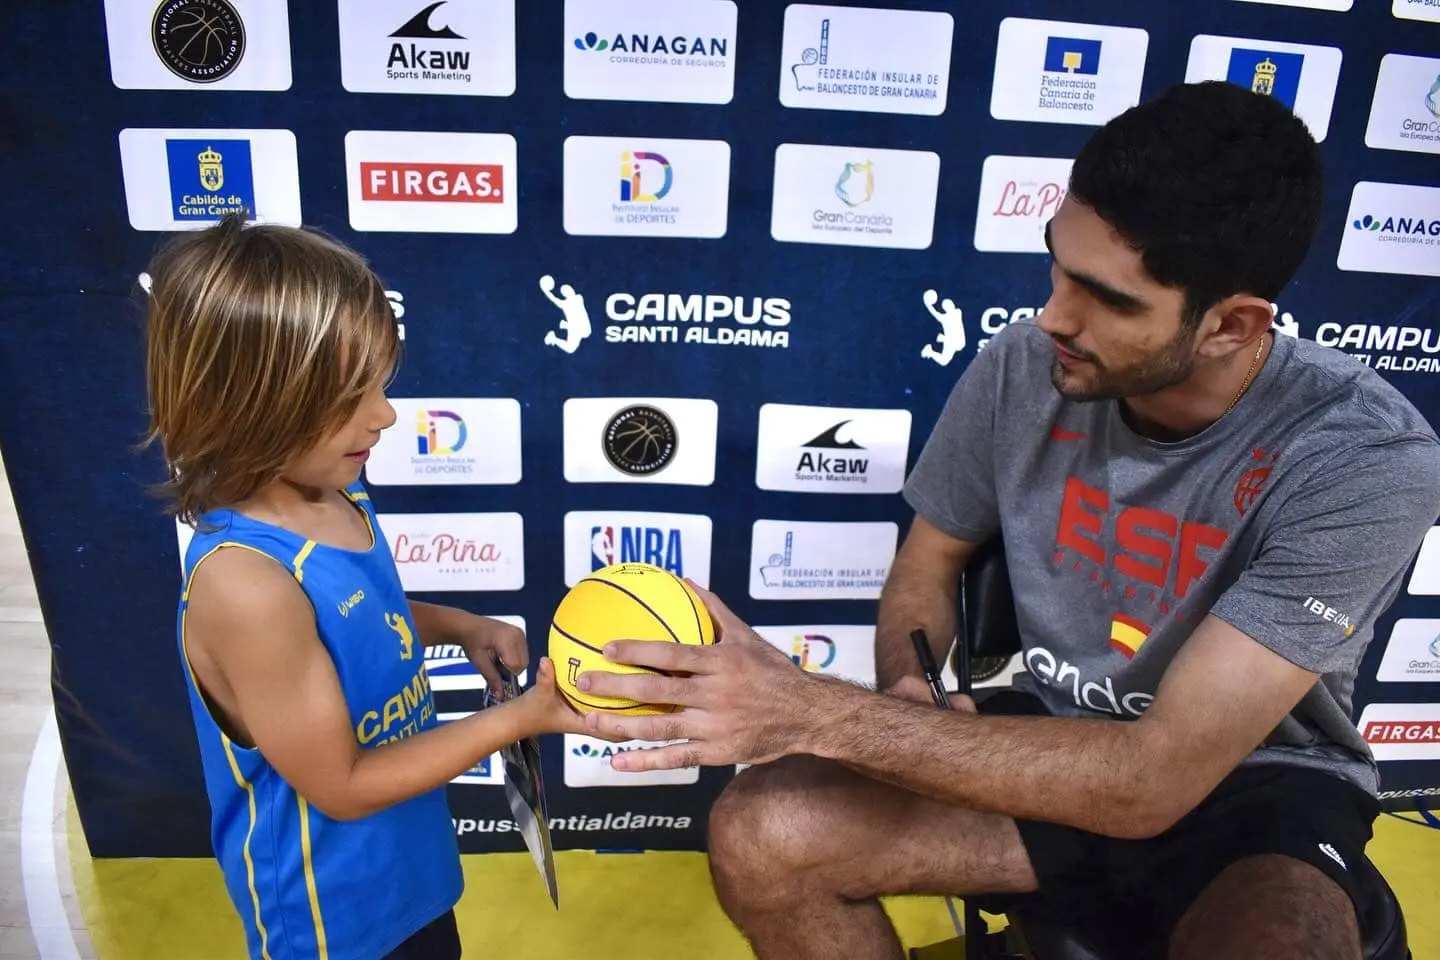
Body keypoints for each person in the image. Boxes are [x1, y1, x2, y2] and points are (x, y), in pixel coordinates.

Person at [574, 81, 1440, 960]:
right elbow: (928, 564)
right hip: (1047, 743)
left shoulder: (1364, 458)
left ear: (1230, 325)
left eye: (1109, 298)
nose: (1053, 315)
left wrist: (808, 710)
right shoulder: (1025, 365)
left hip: (1253, 789)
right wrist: (906, 685)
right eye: (1058, 265)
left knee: (1284, 943)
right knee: (766, 830)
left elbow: (1154, 780)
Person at [143, 215, 590, 960]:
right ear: (248, 401)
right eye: (351, 395)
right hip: (332, 924)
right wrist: (525, 719)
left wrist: (461, 627)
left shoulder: (338, 496)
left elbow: (362, 623)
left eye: (379, 385)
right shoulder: (245, 585)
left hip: (410, 878)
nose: (384, 415)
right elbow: (344, 785)